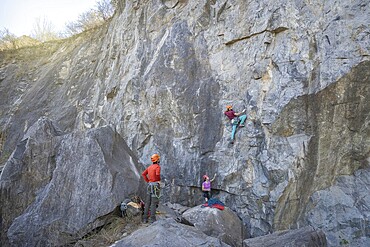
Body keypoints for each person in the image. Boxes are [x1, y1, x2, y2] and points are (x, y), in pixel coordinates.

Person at [141, 153, 161, 223]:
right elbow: (157, 174)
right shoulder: (157, 167)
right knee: (153, 202)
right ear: (157, 160)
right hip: (155, 186)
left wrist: (148, 181)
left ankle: (145, 219)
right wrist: (158, 180)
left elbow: (143, 174)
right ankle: (152, 219)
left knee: (147, 202)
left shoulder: (149, 167)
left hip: (149, 185)